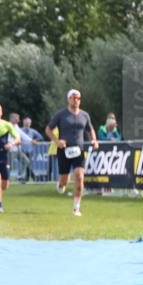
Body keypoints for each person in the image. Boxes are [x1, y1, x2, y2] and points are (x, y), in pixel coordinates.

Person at [46, 89, 99, 217]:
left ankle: (76, 208)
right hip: (64, 150)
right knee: (64, 180)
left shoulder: (85, 115)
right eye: (73, 98)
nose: (76, 101)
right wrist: (57, 141)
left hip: (79, 150)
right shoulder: (61, 115)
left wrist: (94, 140)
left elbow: (90, 129)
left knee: (80, 176)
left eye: (78, 98)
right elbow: (48, 129)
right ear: (68, 99)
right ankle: (61, 184)